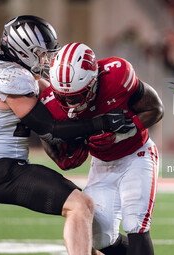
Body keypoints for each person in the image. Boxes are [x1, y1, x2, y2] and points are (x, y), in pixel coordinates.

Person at [0, 16, 132, 255]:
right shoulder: (13, 80)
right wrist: (102, 122)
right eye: (41, 53)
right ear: (22, 50)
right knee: (80, 205)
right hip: (2, 172)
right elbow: (51, 131)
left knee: (83, 211)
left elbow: (43, 89)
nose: (46, 60)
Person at [40, 42, 164, 255]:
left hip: (137, 154)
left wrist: (120, 134)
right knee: (100, 236)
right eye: (62, 96)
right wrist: (61, 155)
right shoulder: (50, 101)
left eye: (75, 96)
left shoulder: (117, 76)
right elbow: (51, 142)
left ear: (93, 83)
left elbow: (156, 109)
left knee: (136, 223)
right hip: (101, 164)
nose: (69, 104)